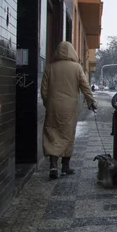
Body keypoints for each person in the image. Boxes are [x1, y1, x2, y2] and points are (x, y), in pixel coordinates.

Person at [41, 41, 97, 179]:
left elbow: (44, 90)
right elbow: (85, 87)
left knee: (52, 133)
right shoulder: (77, 68)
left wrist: (48, 104)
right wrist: (91, 101)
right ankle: (65, 166)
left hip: (54, 106)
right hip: (70, 107)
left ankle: (53, 165)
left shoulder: (50, 67)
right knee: (68, 134)